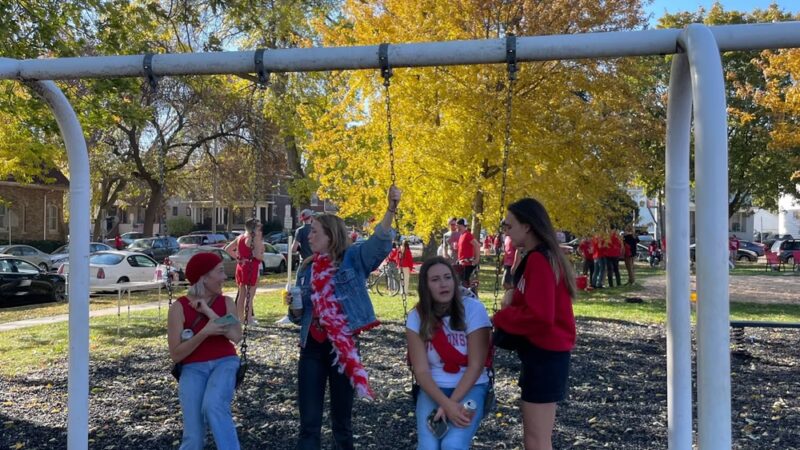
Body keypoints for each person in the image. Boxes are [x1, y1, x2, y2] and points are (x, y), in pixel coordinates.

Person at [289, 185, 401, 450]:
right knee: (309, 425)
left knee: (342, 424)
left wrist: (391, 208)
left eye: (315, 231)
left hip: (343, 350)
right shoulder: (306, 268)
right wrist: (294, 311)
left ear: (330, 236)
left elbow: (380, 242)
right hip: (311, 351)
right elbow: (298, 317)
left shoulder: (352, 260)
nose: (309, 237)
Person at [493, 198, 577, 450]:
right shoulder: (542, 257)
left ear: (527, 226)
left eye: (509, 225)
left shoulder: (540, 260)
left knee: (536, 438)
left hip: (545, 356)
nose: (505, 231)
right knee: (538, 437)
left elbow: (541, 316)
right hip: (546, 356)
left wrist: (501, 316)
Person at [406, 257, 491, 449]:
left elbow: (476, 365)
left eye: (447, 277)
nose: (443, 284)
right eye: (435, 280)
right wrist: (445, 403)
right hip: (433, 388)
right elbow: (421, 371)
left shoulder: (473, 309)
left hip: (472, 385)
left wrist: (449, 405)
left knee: (453, 445)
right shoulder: (417, 317)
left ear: (455, 280)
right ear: (426, 286)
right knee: (428, 446)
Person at [167, 252, 243, 450]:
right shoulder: (179, 308)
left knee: (214, 405)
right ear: (203, 277)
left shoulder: (226, 303)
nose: (224, 277)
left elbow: (236, 336)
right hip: (193, 367)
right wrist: (204, 333)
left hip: (225, 363)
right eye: (219, 272)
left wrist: (209, 313)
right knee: (193, 434)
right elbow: (176, 354)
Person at [224, 218, 264, 324]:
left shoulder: (240, 237)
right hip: (251, 267)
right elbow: (257, 256)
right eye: (259, 227)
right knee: (250, 295)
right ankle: (249, 318)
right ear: (254, 229)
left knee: (242, 293)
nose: (260, 230)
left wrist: (238, 258)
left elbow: (227, 249)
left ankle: (240, 318)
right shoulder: (253, 239)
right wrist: (262, 255)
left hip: (241, 266)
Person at [456, 218, 480, 287]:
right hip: (462, 263)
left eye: (459, 226)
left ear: (464, 226)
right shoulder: (461, 235)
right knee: (461, 283)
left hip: (467, 264)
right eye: (457, 226)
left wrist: (476, 259)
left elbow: (477, 245)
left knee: (465, 284)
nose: (457, 228)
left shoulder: (467, 235)